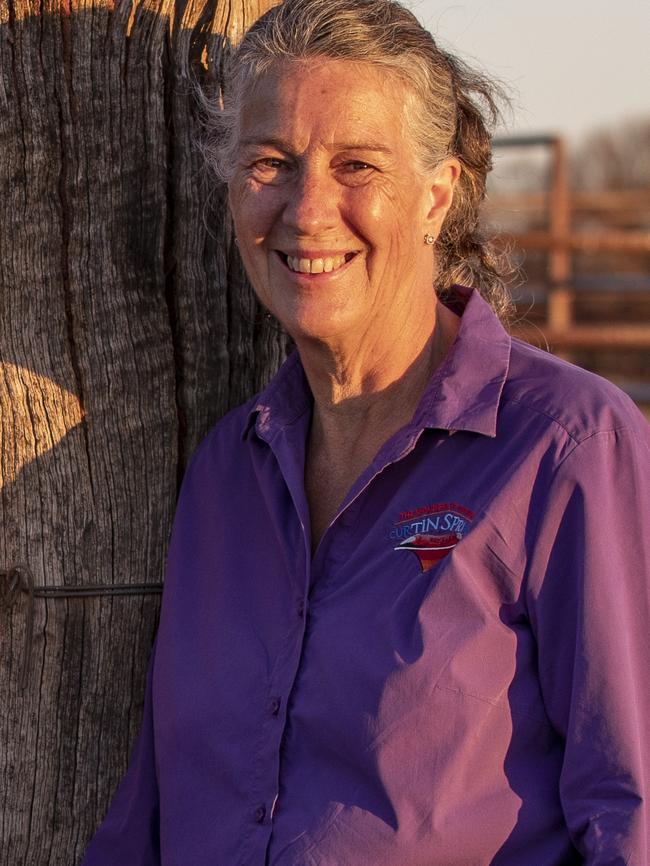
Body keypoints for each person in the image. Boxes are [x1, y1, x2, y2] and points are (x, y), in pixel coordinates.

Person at [82, 0, 650, 863]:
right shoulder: (224, 475)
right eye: (271, 162)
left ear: (436, 194)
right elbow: (149, 817)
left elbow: (633, 811)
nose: (309, 210)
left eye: (357, 165)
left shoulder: (568, 448)